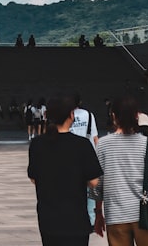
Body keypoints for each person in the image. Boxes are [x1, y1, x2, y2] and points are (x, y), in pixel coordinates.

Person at [95, 95, 148, 245]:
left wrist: (98, 214)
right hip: (146, 217)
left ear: (113, 116)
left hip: (116, 217)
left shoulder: (102, 144)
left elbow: (97, 185)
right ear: (137, 116)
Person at [27, 94, 102, 245]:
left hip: (48, 217)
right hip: (76, 217)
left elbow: (34, 178)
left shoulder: (37, 144)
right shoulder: (82, 145)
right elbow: (94, 182)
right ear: (71, 115)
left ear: (47, 116)